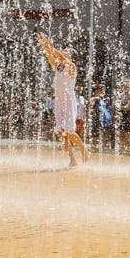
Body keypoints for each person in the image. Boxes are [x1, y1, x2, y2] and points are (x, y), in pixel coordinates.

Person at [34, 31, 87, 167]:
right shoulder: (58, 67)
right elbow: (51, 58)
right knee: (60, 132)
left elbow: (59, 57)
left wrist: (50, 47)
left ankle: (83, 148)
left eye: (66, 52)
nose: (63, 52)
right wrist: (45, 47)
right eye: (63, 51)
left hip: (68, 100)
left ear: (70, 57)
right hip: (59, 100)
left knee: (70, 132)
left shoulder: (72, 66)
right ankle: (72, 160)